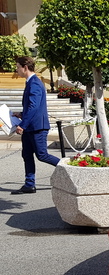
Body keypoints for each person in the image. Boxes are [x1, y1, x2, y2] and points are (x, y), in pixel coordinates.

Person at [11, 56, 59, 194]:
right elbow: (31, 107)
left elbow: (34, 106)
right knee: (26, 155)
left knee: (42, 155)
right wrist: (21, 114)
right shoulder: (30, 82)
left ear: (25, 67)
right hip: (30, 127)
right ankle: (29, 184)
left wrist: (22, 124)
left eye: (18, 67)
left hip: (37, 127)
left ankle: (67, 167)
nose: (16, 69)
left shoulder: (35, 83)